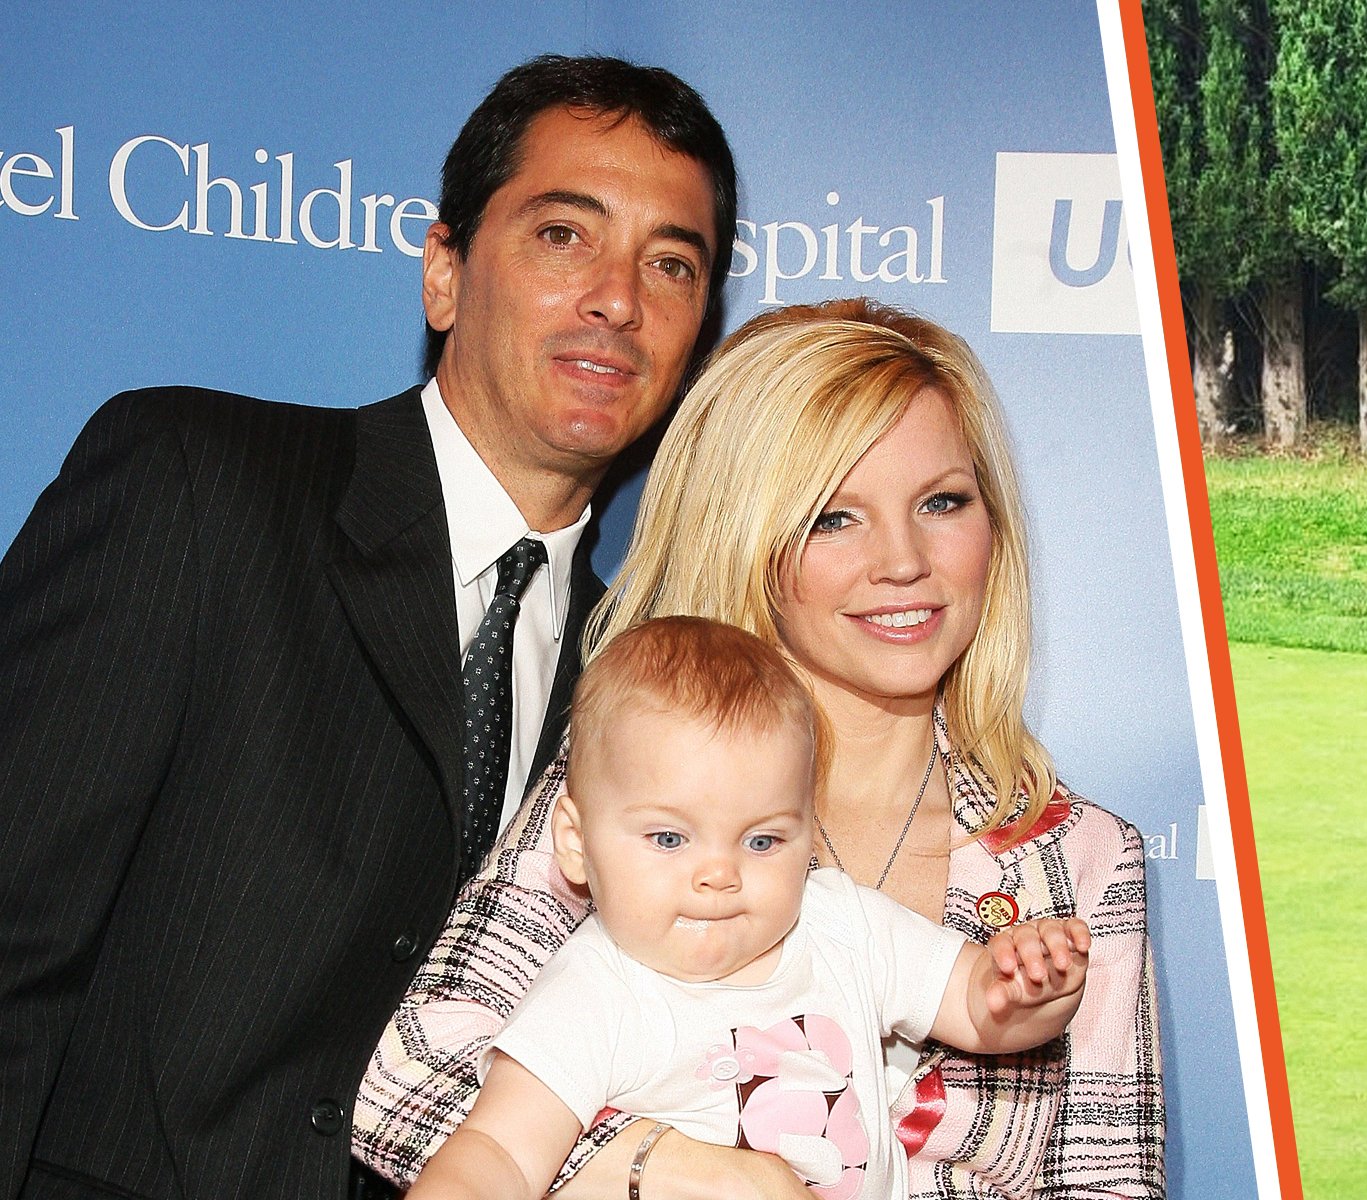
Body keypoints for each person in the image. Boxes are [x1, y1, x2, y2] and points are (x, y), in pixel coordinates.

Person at [0, 54, 734, 1199]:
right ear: (444, 274)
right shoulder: (197, 485)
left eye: (672, 265)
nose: (618, 299)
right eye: (562, 235)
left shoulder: (642, 678)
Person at [356, 298, 1166, 1199]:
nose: (903, 560)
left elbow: (1108, 1186)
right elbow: (408, 1083)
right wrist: (687, 1175)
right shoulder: (645, 777)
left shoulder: (1083, 858)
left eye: (942, 501)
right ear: (748, 537)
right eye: (833, 517)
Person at [409, 616, 1092, 1200]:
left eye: (762, 840)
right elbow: (496, 1154)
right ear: (576, 843)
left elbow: (978, 1008)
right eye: (669, 838)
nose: (719, 874)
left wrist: (1028, 986)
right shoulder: (592, 996)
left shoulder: (843, 924)